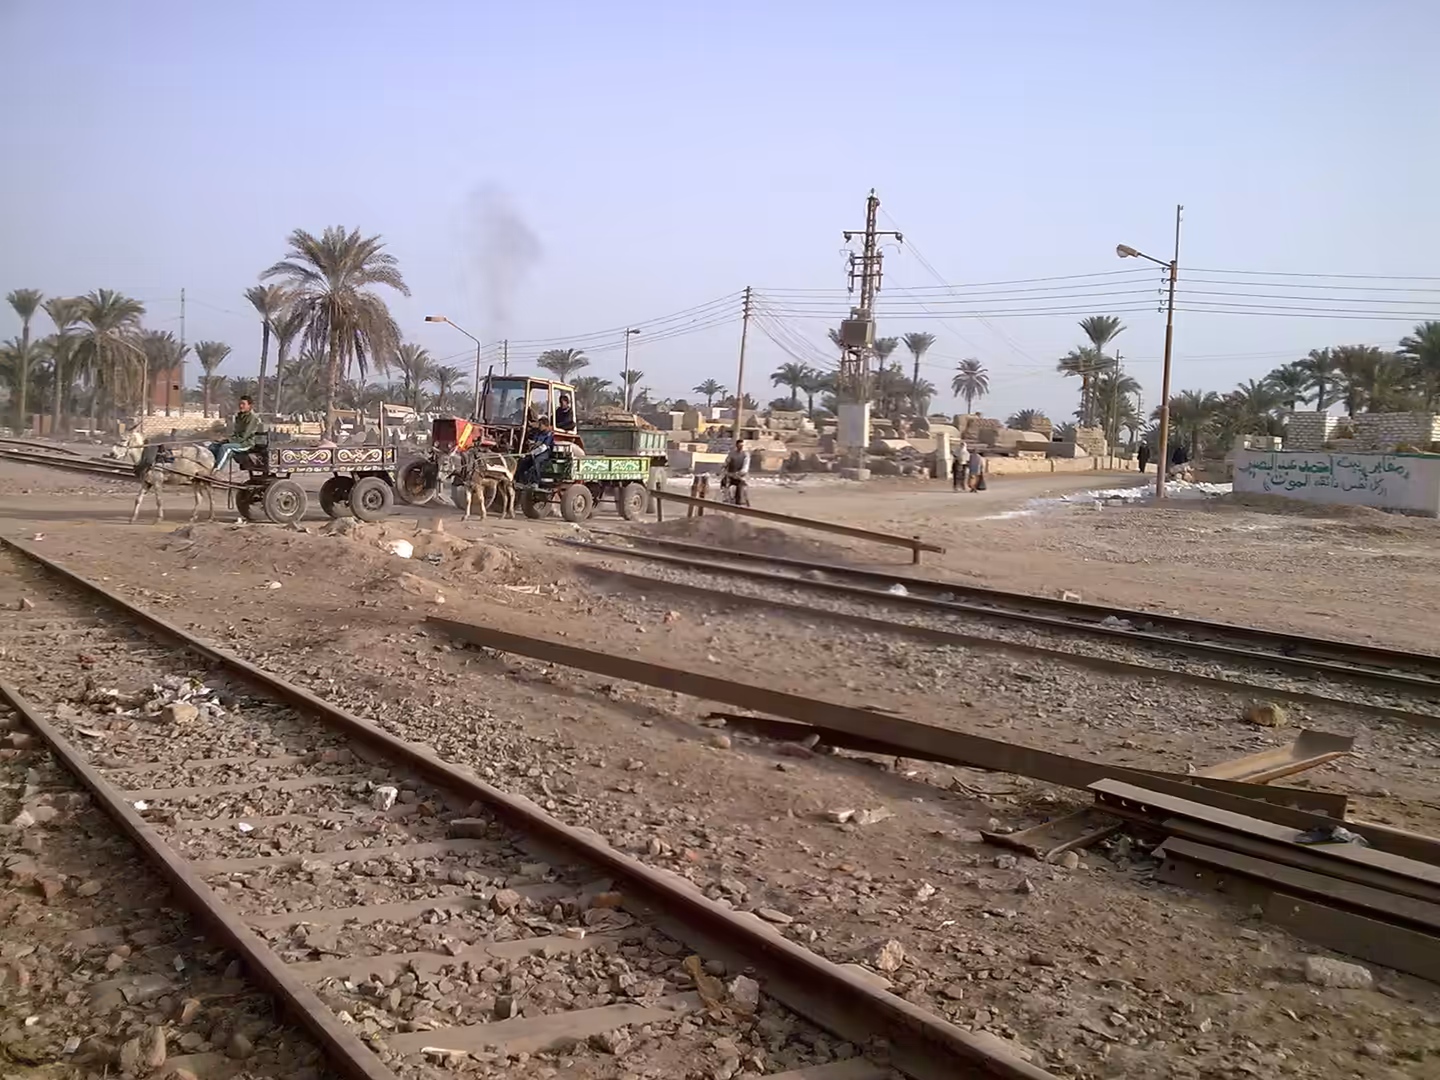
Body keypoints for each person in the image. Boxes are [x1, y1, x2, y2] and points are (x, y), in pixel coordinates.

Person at [209, 396, 266, 471]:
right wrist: (224, 440)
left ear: (250, 406)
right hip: (237, 441)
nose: (240, 406)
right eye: (240, 404)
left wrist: (228, 440)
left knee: (225, 447)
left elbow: (244, 436)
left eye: (243, 404)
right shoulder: (239, 416)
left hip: (246, 443)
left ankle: (217, 470)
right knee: (213, 446)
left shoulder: (252, 418)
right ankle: (209, 466)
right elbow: (236, 433)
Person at [515, 417, 556, 484]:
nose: (539, 426)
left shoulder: (549, 435)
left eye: (540, 425)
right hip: (535, 452)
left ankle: (536, 482)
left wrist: (532, 453)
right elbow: (534, 442)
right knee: (523, 461)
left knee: (536, 461)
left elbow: (544, 447)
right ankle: (520, 480)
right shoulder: (538, 433)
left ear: (545, 425)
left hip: (545, 453)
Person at [722, 439, 750, 506]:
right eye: (739, 446)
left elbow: (745, 467)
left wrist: (739, 473)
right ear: (736, 446)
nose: (741, 447)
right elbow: (726, 462)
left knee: (740, 488)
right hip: (731, 475)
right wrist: (723, 468)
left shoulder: (745, 455)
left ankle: (738, 502)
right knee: (723, 483)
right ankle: (726, 499)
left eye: (742, 446)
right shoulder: (732, 454)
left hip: (741, 476)